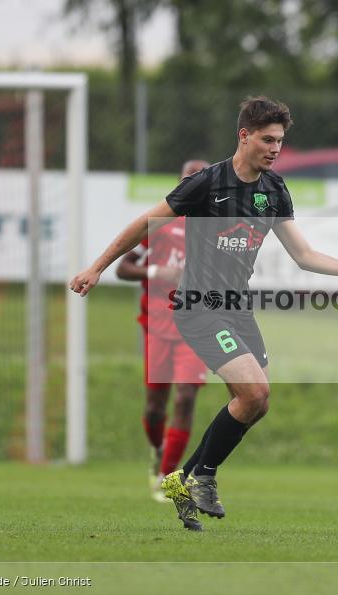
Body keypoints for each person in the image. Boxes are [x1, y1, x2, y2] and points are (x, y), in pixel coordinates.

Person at [70, 96, 338, 531]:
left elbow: (304, 255)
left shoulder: (273, 190)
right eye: (268, 139)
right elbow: (145, 224)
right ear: (244, 135)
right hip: (199, 308)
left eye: (281, 141)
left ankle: (183, 478)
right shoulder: (206, 183)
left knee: (258, 402)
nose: (276, 149)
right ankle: (204, 477)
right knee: (252, 394)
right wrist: (96, 268)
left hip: (237, 309)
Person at [115, 159, 210, 503]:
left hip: (197, 327)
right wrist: (158, 272)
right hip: (157, 327)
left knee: (185, 397)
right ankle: (157, 451)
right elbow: (123, 269)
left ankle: (168, 479)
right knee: (156, 407)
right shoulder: (159, 224)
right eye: (189, 180)